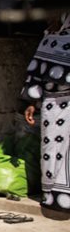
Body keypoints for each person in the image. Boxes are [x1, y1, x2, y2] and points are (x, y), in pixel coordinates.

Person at [22, 14, 70, 211]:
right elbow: (36, 76)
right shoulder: (48, 40)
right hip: (51, 105)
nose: (51, 21)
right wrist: (33, 103)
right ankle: (52, 195)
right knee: (50, 150)